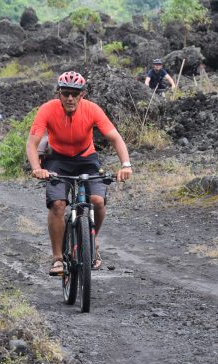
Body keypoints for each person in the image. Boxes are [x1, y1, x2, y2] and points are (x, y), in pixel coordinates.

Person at [26, 71, 133, 276]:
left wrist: (126, 165)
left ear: (82, 94)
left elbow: (115, 138)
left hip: (86, 158)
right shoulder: (47, 110)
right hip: (58, 159)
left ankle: (91, 241)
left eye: (75, 94)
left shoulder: (92, 109)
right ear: (59, 94)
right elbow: (32, 143)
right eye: (65, 93)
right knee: (58, 205)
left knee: (97, 201)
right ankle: (57, 258)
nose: (70, 98)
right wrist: (36, 168)